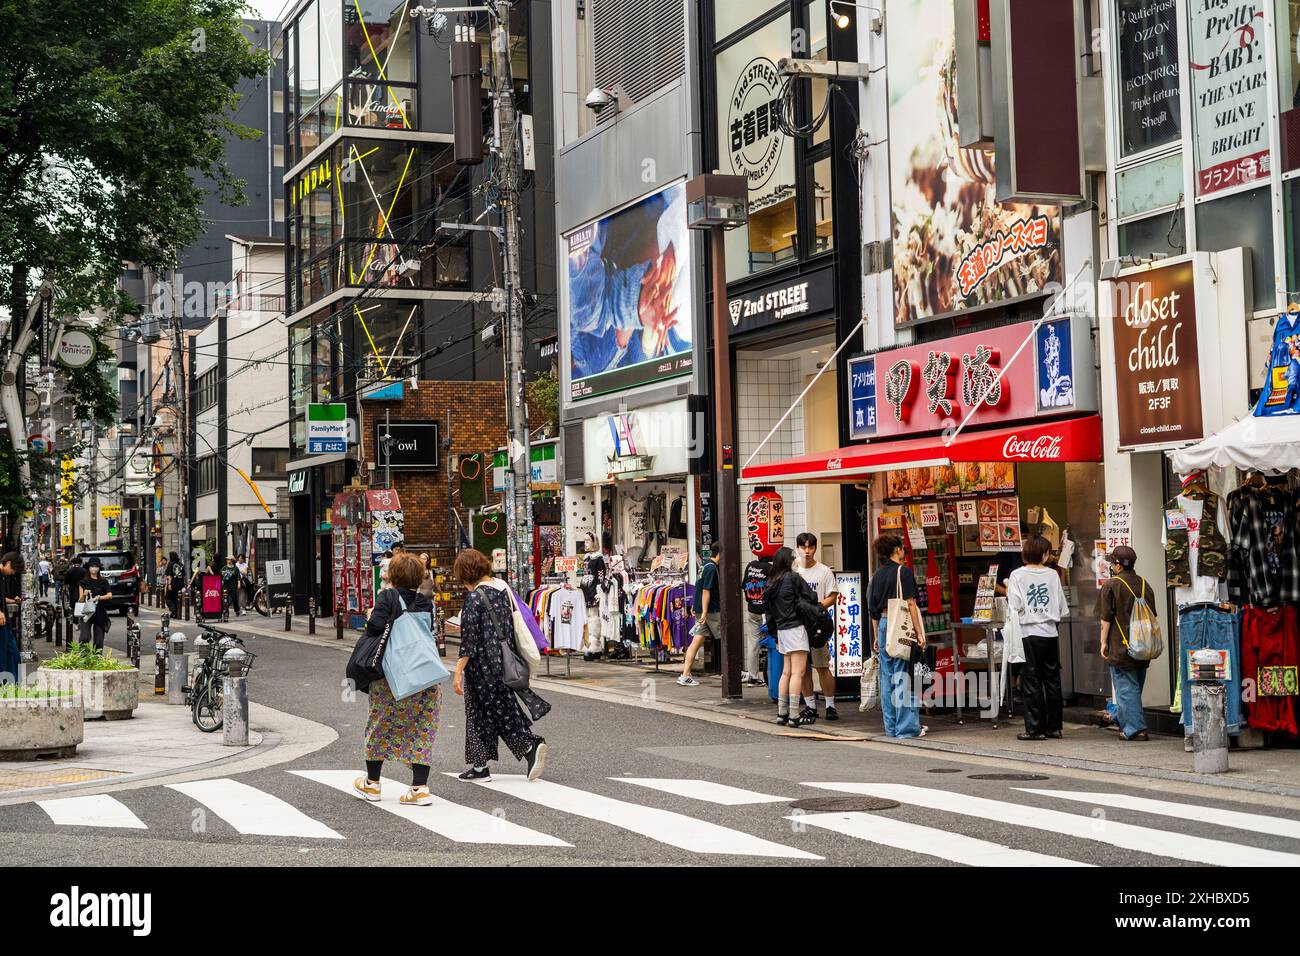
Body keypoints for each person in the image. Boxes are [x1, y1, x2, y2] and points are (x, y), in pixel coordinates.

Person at [351, 552, 444, 806]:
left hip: (391, 675)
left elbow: (374, 629)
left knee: (379, 724)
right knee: (422, 728)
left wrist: (372, 615)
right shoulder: (426, 601)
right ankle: (419, 788)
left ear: (392, 575)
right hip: (425, 674)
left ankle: (372, 784)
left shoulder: (387, 597)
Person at [452, 548, 550, 782]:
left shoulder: (474, 598)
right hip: (504, 661)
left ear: (466, 573)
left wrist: (457, 672)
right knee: (488, 712)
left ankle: (529, 746)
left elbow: (469, 642)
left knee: (493, 713)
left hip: (482, 667)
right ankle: (479, 766)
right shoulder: (501, 590)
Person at [1006, 535, 1069, 741]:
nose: (1049, 556)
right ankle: (1054, 727)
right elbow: (1061, 607)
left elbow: (1014, 605)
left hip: (1028, 633)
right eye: (1048, 552)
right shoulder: (1052, 575)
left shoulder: (1017, 575)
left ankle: (1034, 728)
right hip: (1050, 632)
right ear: (1042, 554)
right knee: (1052, 680)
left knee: (1031, 680)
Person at [866, 535, 927, 739]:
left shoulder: (876, 576)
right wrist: (919, 633)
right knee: (903, 675)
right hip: (899, 624)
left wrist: (876, 636)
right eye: (901, 549)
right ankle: (906, 728)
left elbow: (872, 610)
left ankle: (890, 727)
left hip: (883, 624)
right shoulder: (903, 572)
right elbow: (910, 604)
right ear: (897, 550)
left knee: (887, 676)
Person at [1098, 545, 1154, 741]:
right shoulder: (1145, 584)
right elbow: (1152, 614)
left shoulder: (1112, 585)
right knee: (1135, 687)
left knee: (1126, 689)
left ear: (1118, 566)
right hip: (1144, 645)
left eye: (1112, 563)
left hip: (1121, 646)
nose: (1111, 566)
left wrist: (1103, 642)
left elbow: (1105, 619)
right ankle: (1124, 720)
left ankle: (1135, 729)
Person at [763, 547, 819, 726]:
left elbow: (769, 611)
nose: (797, 560)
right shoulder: (794, 578)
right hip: (796, 628)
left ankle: (782, 712)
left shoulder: (773, 581)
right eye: (795, 557)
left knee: (786, 672)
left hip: (782, 630)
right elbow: (812, 597)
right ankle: (794, 715)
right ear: (789, 561)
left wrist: (775, 632)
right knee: (798, 672)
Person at [796, 532, 840, 722]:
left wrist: (818, 607)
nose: (807, 551)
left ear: (815, 548)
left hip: (818, 625)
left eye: (811, 547)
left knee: (822, 666)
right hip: (797, 625)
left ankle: (830, 705)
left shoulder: (824, 571)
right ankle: (810, 706)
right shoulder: (794, 571)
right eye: (803, 547)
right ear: (797, 548)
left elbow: (833, 595)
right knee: (802, 668)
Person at [677, 544, 720, 687]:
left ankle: (685, 675)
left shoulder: (705, 566)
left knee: (696, 641)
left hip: (701, 610)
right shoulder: (711, 568)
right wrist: (705, 611)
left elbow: (699, 588)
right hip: (710, 610)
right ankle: (734, 671)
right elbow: (706, 591)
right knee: (727, 638)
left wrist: (697, 609)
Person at [740, 549, 772, 686]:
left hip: (752, 609)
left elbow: (743, 585)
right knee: (773, 643)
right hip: (766, 611)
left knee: (753, 643)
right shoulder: (771, 569)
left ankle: (752, 677)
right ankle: (774, 675)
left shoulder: (750, 565)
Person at [77, 559, 112, 650]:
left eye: (96, 567)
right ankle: (83, 658)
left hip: (99, 612)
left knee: (99, 640)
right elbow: (80, 600)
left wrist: (98, 598)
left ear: (99, 568)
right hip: (86, 612)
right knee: (85, 637)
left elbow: (109, 595)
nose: (94, 569)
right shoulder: (83, 582)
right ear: (88, 568)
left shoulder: (103, 581)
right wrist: (84, 595)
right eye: (92, 566)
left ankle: (97, 659)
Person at [0, 553, 23, 679]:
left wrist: (13, 600)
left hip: (5, 624)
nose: (13, 573)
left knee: (13, 654)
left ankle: (12, 684)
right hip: (1, 623)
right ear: (8, 563)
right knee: (4, 656)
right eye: (14, 569)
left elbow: (1, 598)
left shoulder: (2, 577)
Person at [164, 552, 184, 618]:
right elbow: (183, 574)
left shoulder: (170, 564)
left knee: (168, 598)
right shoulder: (181, 564)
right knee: (176, 599)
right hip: (180, 584)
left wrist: (169, 584)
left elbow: (169, 575)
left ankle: (174, 610)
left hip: (172, 584)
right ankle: (175, 613)